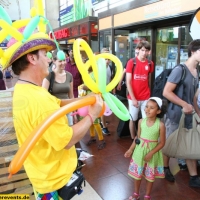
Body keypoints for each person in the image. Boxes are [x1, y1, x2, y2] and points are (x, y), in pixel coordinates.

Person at [4, 33, 103, 198]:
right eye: (44, 54)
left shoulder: (26, 89)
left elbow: (56, 103)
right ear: (32, 59)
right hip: (55, 181)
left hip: (42, 174)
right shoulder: (37, 100)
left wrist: (85, 100)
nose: (49, 60)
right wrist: (91, 116)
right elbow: (67, 140)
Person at [163, 39, 200, 187]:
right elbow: (166, 92)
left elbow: (193, 97)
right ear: (193, 51)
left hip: (189, 116)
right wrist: (184, 104)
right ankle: (165, 168)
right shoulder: (180, 69)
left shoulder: (197, 72)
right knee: (169, 143)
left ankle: (194, 176)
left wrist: (198, 114)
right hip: (175, 114)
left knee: (188, 143)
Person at [124, 97, 167, 200]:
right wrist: (130, 149)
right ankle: (136, 193)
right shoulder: (140, 122)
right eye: (146, 106)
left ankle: (147, 195)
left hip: (152, 153)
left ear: (158, 111)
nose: (147, 109)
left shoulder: (160, 125)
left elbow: (162, 143)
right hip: (140, 151)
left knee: (150, 176)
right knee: (137, 174)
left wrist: (151, 153)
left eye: (151, 108)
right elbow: (137, 138)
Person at [126, 41, 154, 140]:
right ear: (138, 50)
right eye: (142, 50)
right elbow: (128, 82)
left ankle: (142, 136)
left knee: (145, 118)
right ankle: (133, 138)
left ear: (149, 52)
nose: (144, 53)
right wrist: (133, 99)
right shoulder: (131, 62)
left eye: (146, 50)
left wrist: (149, 93)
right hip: (134, 97)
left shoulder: (150, 63)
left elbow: (148, 79)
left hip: (145, 96)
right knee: (133, 118)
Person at [42, 49, 77, 126]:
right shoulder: (49, 76)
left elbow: (71, 96)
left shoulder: (69, 75)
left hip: (67, 111)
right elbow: (43, 96)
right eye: (60, 61)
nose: (63, 63)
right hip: (54, 113)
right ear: (54, 61)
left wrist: (74, 113)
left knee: (69, 135)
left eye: (64, 60)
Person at [78, 65, 106, 149]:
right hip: (88, 100)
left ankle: (101, 139)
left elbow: (98, 87)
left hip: (95, 100)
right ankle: (93, 136)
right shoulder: (88, 74)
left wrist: (86, 87)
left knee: (95, 121)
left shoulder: (96, 74)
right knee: (90, 120)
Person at [100, 48, 115, 135]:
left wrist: (112, 89)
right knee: (102, 109)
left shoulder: (110, 67)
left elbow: (111, 78)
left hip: (107, 91)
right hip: (100, 92)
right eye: (105, 58)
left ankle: (102, 122)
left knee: (106, 108)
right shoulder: (98, 67)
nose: (107, 60)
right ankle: (104, 126)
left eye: (108, 58)